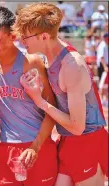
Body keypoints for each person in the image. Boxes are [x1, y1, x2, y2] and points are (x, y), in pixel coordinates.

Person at [13, 3, 108, 186]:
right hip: (68, 141)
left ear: (44, 36)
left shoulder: (72, 66)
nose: (22, 41)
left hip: (88, 141)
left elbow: (78, 126)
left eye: (25, 37)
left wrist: (39, 100)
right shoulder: (49, 58)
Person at [0, 6, 57, 186]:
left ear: (13, 36)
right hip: (7, 149)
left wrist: (36, 146)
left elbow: (52, 108)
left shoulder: (31, 63)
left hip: (37, 146)